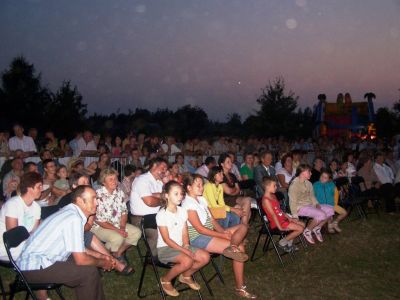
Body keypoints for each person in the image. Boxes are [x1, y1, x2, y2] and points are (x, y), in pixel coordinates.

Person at [16, 185, 115, 300]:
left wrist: (101, 256)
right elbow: (81, 259)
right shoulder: (74, 218)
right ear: (80, 201)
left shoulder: (70, 212)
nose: (97, 203)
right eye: (93, 198)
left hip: (42, 260)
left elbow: (77, 247)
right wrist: (102, 263)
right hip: (33, 267)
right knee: (88, 272)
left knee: (89, 267)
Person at [182, 174, 257, 299]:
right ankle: (240, 287)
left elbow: (212, 221)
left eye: (202, 184)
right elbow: (200, 229)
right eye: (198, 185)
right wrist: (221, 234)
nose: (202, 188)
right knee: (240, 249)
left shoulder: (201, 199)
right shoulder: (187, 204)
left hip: (208, 232)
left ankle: (232, 246)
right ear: (189, 187)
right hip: (197, 238)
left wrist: (223, 232)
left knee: (243, 226)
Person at [156, 181, 210, 297]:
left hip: (181, 246)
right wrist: (185, 250)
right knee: (188, 260)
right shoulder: (162, 214)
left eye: (181, 193)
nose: (180, 196)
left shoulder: (182, 211)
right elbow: (166, 239)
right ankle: (165, 280)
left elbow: (184, 232)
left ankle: (185, 275)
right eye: (176, 194)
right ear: (166, 195)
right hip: (165, 248)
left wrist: (186, 245)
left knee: (205, 257)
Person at [92, 168, 141, 262]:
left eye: (115, 178)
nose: (114, 181)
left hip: (117, 223)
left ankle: (117, 254)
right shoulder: (98, 195)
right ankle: (104, 257)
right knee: (117, 237)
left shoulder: (119, 192)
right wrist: (118, 230)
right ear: (103, 182)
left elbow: (124, 211)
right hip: (99, 226)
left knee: (136, 232)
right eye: (110, 179)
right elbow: (100, 221)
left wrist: (122, 227)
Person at [130, 157, 168, 255]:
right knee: (161, 225)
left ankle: (170, 250)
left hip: (155, 215)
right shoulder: (142, 180)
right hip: (141, 219)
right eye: (163, 168)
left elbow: (167, 196)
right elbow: (150, 202)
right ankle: (154, 256)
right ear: (154, 166)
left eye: (166, 169)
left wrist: (165, 185)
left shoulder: (159, 182)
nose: (165, 171)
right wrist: (163, 200)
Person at [0, 172, 42, 261]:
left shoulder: (36, 207)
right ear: (29, 188)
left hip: (26, 243)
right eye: (39, 187)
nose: (41, 189)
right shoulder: (13, 204)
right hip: (7, 247)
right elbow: (14, 236)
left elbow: (35, 231)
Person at [288, 164, 334, 244]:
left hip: (310, 205)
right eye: (309, 172)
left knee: (330, 210)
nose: (311, 173)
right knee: (322, 215)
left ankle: (317, 228)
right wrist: (295, 216)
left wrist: (316, 204)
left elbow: (312, 196)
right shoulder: (294, 185)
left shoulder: (308, 183)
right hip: (300, 208)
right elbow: (292, 202)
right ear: (302, 173)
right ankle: (307, 231)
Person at [261, 177, 304, 252]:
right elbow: (273, 215)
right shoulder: (266, 200)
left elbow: (279, 210)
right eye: (274, 185)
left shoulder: (273, 196)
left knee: (302, 224)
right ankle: (282, 243)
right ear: (267, 187)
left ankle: (288, 244)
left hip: (283, 219)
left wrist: (289, 217)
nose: (276, 187)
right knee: (300, 228)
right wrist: (280, 228)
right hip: (277, 222)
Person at [219, 153, 252, 225]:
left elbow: (238, 189)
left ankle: (243, 226)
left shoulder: (232, 175)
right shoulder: (220, 175)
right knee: (244, 210)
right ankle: (243, 227)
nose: (231, 163)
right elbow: (228, 191)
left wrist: (233, 191)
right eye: (228, 162)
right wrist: (235, 190)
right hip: (225, 199)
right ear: (222, 164)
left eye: (231, 161)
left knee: (248, 199)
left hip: (235, 197)